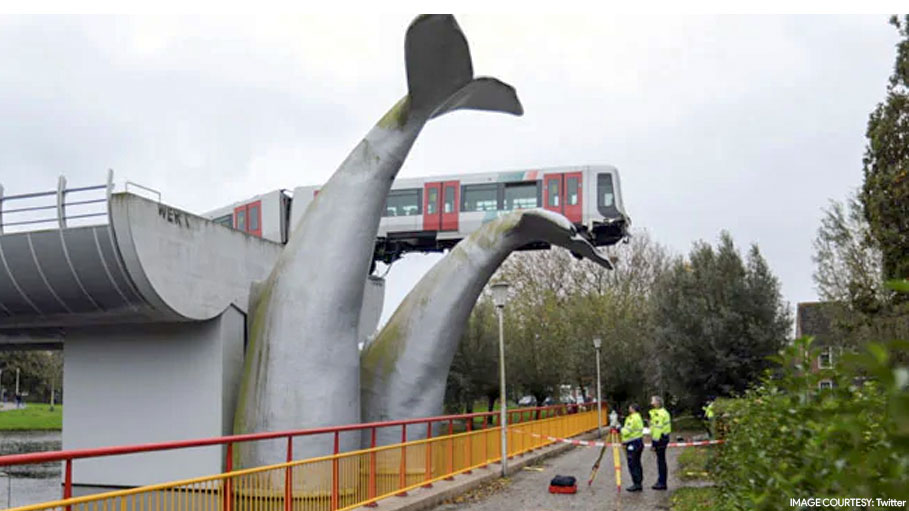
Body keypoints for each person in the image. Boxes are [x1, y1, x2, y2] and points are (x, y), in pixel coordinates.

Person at [648, 395, 672, 490]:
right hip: (663, 438)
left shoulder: (659, 414)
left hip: (660, 439)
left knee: (661, 461)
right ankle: (661, 481)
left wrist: (654, 443)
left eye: (652, 401)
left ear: (657, 403)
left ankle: (662, 482)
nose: (651, 403)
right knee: (661, 461)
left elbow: (657, 429)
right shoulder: (662, 412)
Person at [621, 403, 644, 492]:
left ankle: (636, 483)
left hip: (633, 443)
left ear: (633, 409)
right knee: (637, 463)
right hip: (637, 442)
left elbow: (627, 431)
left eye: (630, 407)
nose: (628, 409)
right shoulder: (638, 417)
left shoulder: (632, 418)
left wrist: (619, 429)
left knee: (633, 464)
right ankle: (638, 482)